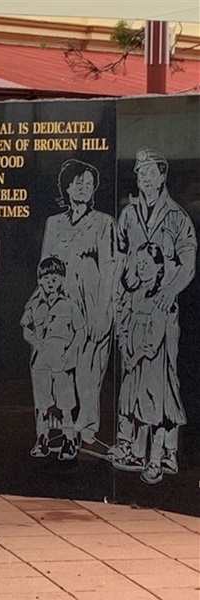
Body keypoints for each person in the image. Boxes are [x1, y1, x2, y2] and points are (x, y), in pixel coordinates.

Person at [111, 147, 195, 481]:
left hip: (162, 307)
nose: (145, 180)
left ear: (162, 176)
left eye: (150, 173)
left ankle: (167, 453)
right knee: (133, 379)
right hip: (134, 305)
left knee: (161, 381)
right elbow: (120, 256)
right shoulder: (129, 216)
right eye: (140, 174)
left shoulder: (177, 217)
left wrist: (170, 290)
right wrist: (119, 297)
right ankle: (134, 446)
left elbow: (188, 262)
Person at [37, 159, 117, 459]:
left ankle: (88, 433)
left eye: (88, 182)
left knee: (88, 372)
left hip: (92, 306)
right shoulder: (53, 223)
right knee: (60, 372)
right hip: (61, 309)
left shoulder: (104, 223)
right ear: (67, 187)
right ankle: (64, 430)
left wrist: (101, 311)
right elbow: (44, 266)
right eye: (78, 181)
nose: (84, 186)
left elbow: (109, 268)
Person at [20, 256, 82, 459]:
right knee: (42, 405)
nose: (51, 281)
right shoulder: (35, 305)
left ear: (62, 279)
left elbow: (80, 331)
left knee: (65, 405)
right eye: (46, 277)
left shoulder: (70, 305)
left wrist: (71, 350)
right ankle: (42, 440)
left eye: (55, 276)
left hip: (62, 362)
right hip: (41, 363)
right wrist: (36, 343)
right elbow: (25, 329)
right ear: (39, 280)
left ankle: (69, 441)